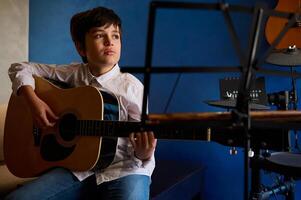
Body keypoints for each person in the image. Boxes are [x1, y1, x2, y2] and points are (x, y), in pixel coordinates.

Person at [5, 6, 156, 200]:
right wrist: (34, 102)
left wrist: (144, 152)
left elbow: (142, 150)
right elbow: (20, 68)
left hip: (124, 170)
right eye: (100, 36)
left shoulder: (132, 88)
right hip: (77, 169)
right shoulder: (75, 73)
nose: (110, 42)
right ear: (80, 47)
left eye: (116, 36)